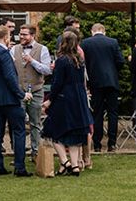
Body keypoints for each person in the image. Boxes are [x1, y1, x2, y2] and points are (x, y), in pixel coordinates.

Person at [0, 25, 32, 177]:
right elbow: (10, 77)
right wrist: (21, 94)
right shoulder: (4, 53)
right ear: (6, 37)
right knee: (19, 131)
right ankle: (19, 167)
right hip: (9, 99)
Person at [42, 31, 93, 176]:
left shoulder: (62, 60)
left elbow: (57, 83)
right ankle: (75, 166)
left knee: (51, 130)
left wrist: (50, 99)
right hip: (79, 97)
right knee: (74, 133)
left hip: (64, 98)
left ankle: (65, 162)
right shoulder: (79, 59)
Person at [80, 22, 125, 152]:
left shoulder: (86, 43)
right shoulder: (113, 42)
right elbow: (120, 62)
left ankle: (97, 144)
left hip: (95, 83)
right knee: (113, 113)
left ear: (92, 31)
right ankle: (112, 143)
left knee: (97, 113)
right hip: (112, 82)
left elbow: (83, 63)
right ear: (103, 31)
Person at [12, 24, 52, 159]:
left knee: (36, 123)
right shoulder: (14, 49)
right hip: (19, 91)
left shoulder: (42, 49)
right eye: (20, 34)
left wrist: (32, 61)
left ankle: (36, 153)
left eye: (24, 34)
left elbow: (47, 70)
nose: (21, 36)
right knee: (18, 123)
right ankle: (19, 154)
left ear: (33, 36)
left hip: (36, 90)